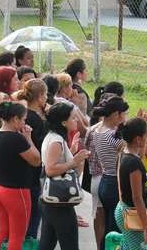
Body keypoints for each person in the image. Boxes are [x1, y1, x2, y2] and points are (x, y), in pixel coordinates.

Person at [39, 103, 90, 250]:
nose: (76, 120)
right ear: (63, 122)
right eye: (73, 118)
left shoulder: (54, 137)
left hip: (52, 200)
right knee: (69, 244)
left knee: (47, 243)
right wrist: (75, 161)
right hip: (58, 202)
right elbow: (50, 169)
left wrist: (72, 150)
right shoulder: (56, 141)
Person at [0, 101, 41, 250]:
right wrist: (29, 138)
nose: (25, 122)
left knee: (4, 231)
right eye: (23, 119)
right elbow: (36, 160)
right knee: (17, 237)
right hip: (16, 192)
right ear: (15, 119)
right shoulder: (16, 138)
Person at [85, 95, 127, 250]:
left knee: (109, 224)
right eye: (124, 114)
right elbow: (133, 150)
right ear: (116, 114)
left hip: (105, 181)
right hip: (114, 183)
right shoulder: (111, 136)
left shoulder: (98, 130)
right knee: (115, 228)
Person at [13, 78, 47, 239]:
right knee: (33, 217)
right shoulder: (36, 120)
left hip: (18, 172)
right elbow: (40, 150)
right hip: (31, 174)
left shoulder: (23, 114)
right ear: (40, 96)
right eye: (45, 94)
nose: (47, 98)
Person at [114, 117, 147, 250]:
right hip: (131, 214)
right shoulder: (134, 164)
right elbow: (137, 198)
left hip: (123, 209)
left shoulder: (125, 153)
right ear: (138, 139)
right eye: (146, 135)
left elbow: (142, 155)